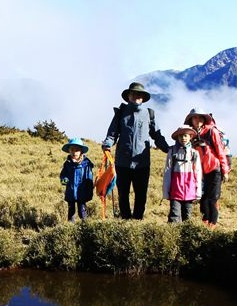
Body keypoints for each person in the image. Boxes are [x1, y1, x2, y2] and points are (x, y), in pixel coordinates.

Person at [102, 82, 169, 219]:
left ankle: (137, 220)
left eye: (139, 95)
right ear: (128, 96)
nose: (136, 97)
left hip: (142, 163)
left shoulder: (149, 114)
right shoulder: (121, 113)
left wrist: (168, 149)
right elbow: (112, 134)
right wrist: (107, 144)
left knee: (141, 195)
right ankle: (126, 219)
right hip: (122, 162)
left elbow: (156, 135)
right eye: (133, 94)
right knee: (123, 194)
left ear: (143, 98)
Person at [184, 109, 230, 227]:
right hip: (200, 172)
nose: (198, 120)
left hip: (215, 169)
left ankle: (212, 225)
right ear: (191, 120)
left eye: (200, 117)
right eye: (195, 118)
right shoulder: (191, 135)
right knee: (203, 199)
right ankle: (205, 223)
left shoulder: (211, 132)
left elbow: (220, 151)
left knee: (213, 199)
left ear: (204, 120)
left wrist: (225, 170)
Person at [161, 125, 203, 223]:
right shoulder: (172, 152)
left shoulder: (194, 153)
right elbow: (167, 171)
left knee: (187, 217)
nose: (183, 138)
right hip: (175, 191)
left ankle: (186, 236)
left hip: (190, 191)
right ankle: (172, 235)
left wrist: (198, 192)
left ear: (190, 137)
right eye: (181, 136)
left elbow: (198, 172)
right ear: (177, 138)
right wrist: (166, 192)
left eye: (185, 135)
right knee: (174, 216)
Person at [59, 137, 95, 222]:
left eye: (77, 150)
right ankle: (71, 228)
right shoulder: (67, 164)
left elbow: (89, 179)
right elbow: (63, 175)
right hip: (70, 192)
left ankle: (85, 227)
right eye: (72, 149)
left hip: (82, 192)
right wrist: (65, 181)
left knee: (82, 211)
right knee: (71, 212)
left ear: (81, 151)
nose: (74, 152)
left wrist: (89, 192)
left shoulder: (86, 164)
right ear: (69, 151)